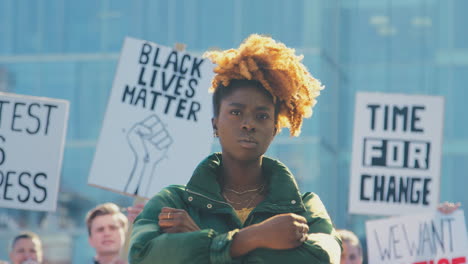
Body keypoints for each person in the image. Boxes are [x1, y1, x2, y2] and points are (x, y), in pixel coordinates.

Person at [129, 34, 341, 263]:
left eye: (261, 116)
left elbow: (321, 258)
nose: (248, 124)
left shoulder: (306, 208)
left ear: (275, 129)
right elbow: (143, 257)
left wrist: (198, 239)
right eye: (236, 112)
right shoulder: (172, 201)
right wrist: (254, 237)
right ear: (215, 124)